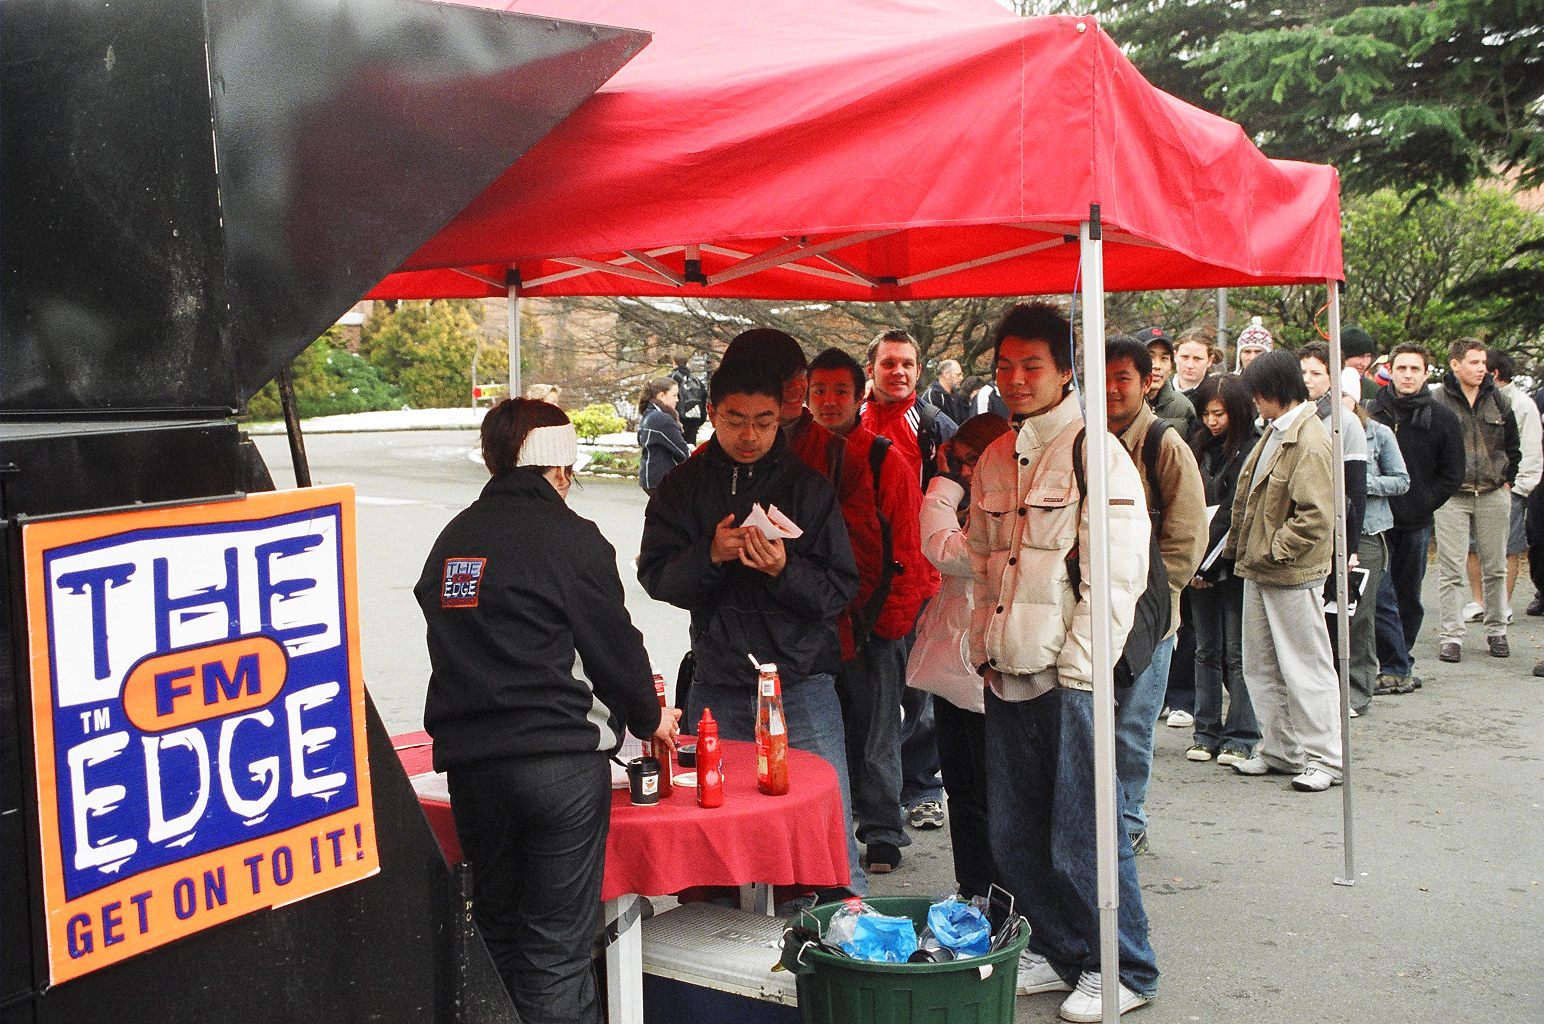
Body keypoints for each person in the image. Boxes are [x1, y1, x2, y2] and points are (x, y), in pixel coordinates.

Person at [416, 399, 680, 1024]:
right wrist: (650, 718)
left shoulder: (454, 541)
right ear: (560, 470)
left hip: (474, 769)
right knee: (555, 953)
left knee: (500, 936)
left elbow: (449, 625)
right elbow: (614, 646)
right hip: (558, 766)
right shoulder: (570, 538)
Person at [968, 302, 1157, 1020]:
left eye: (1032, 366)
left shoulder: (1093, 449)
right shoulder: (996, 455)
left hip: (1070, 677)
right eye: (1005, 366)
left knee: (1084, 833)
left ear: (1064, 371)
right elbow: (987, 564)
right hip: (1005, 671)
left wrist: (1083, 669)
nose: (1016, 379)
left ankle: (1125, 967)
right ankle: (1060, 947)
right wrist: (982, 649)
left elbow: (1117, 576)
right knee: (1014, 833)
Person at [637, 356, 865, 891]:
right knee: (717, 833)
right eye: (735, 419)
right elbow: (656, 577)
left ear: (783, 416)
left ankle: (842, 933)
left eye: (764, 421)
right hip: (717, 681)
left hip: (801, 681)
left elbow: (840, 589)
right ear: (711, 412)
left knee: (823, 829)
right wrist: (709, 555)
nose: (749, 435)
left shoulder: (807, 488)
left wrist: (785, 569)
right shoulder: (682, 485)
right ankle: (721, 947)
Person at [807, 346, 930, 874]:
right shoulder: (794, 456)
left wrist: (892, 623)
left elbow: (908, 546)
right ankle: (826, 831)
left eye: (840, 391)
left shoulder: (885, 458)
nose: (829, 401)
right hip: (812, 622)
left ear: (861, 397)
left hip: (875, 619)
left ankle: (882, 830)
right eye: (819, 391)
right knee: (819, 731)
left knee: (879, 730)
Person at [1106, 336, 1207, 854]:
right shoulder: (1084, 439)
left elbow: (1187, 535)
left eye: (1122, 377)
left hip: (1149, 616)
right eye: (1102, 378)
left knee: (1132, 725)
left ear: (1146, 382)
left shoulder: (1163, 443)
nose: (1111, 389)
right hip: (1092, 610)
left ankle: (1129, 817)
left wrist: (1151, 602)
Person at [1224, 350, 1342, 793]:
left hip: (1288, 570)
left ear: (1272, 392)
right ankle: (1281, 750)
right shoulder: (1276, 432)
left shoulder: (1309, 439)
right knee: (1262, 665)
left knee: (1304, 667)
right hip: (1262, 567)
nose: (1254, 401)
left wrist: (1275, 550)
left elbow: (1316, 515)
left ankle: (1325, 758)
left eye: (1257, 393)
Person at [907, 412, 1012, 899]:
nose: (967, 472)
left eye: (976, 461)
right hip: (954, 671)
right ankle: (972, 886)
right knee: (962, 792)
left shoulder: (1009, 504)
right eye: (961, 461)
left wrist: (943, 488)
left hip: (990, 669)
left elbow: (948, 552)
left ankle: (1000, 894)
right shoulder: (977, 502)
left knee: (991, 796)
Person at [861, 328, 955, 830]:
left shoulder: (935, 426)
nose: (898, 372)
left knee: (918, 695)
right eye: (889, 363)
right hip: (865, 584)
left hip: (923, 580)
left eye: (908, 364)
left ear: (919, 370)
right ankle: (875, 795)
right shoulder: (851, 421)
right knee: (870, 697)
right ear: (871, 368)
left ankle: (921, 786)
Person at [1366, 344, 1465, 694]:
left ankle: (1400, 659)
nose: (1408, 375)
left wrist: (1425, 503)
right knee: (1378, 595)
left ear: (1426, 374)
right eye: (1402, 368)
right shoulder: (1371, 412)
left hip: (1415, 521)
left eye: (1415, 369)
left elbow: (1453, 473)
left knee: (1408, 596)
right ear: (1389, 370)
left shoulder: (1442, 418)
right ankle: (1388, 663)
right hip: (1374, 521)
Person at [1184, 374, 1261, 763]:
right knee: (1205, 649)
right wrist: (1193, 563)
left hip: (1233, 561)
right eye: (1207, 413)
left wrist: (1210, 563)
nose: (1213, 421)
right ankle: (1205, 730)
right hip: (1198, 558)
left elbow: (1236, 510)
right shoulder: (1197, 447)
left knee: (1237, 651)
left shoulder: (1251, 448)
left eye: (1220, 413)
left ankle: (1242, 733)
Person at [1430, 338, 1519, 662]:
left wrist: (1508, 479)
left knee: (1495, 566)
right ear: (1455, 364)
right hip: (1452, 496)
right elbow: (1430, 447)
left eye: (1484, 362)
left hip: (1494, 492)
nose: (1482, 368)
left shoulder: (1499, 399)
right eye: (1474, 362)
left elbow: (1513, 445)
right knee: (1450, 569)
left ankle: (1497, 630)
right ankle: (1452, 636)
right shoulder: (1438, 399)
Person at [1462, 350, 1539, 623]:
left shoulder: (1521, 404)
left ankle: (1502, 604)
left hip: (1508, 489)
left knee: (1507, 548)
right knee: (1473, 546)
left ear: (1493, 373)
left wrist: (1517, 488)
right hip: (1472, 487)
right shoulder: (1469, 400)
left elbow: (1529, 452)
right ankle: (1478, 600)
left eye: (1483, 365)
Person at [1133, 326, 1197, 435]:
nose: (1157, 366)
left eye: (1164, 359)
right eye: (1150, 357)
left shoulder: (1183, 407)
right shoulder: (1119, 402)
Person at [636, 377, 690, 496]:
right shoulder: (662, 419)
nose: (677, 400)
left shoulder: (649, 414)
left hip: (650, 477)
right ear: (661, 396)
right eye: (674, 395)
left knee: (662, 513)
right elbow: (683, 452)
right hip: (660, 479)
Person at [669, 353, 709, 444]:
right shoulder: (696, 381)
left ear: (674, 363)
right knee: (690, 452)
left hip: (676, 420)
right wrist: (699, 421)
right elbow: (704, 398)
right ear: (687, 363)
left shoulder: (670, 380)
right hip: (694, 420)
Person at [1172, 327, 1213, 404]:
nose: (1190, 365)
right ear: (1175, 356)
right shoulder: (1159, 390)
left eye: (1197, 359)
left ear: (1210, 361)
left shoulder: (1216, 394)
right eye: (1184, 357)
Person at [923, 358, 970, 424]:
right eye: (958, 375)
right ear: (946, 374)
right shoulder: (933, 395)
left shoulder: (957, 396)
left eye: (962, 374)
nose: (961, 378)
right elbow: (933, 425)